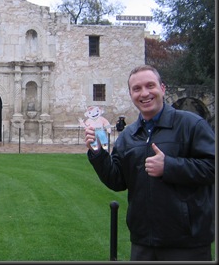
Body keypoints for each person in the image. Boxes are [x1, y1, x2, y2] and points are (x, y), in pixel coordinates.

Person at [84, 65, 215, 261]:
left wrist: (169, 166)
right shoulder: (129, 135)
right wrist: (98, 154)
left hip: (187, 243)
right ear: (131, 94)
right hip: (144, 242)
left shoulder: (191, 125)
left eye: (150, 86)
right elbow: (117, 180)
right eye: (137, 89)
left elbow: (212, 166)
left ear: (162, 88)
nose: (144, 93)